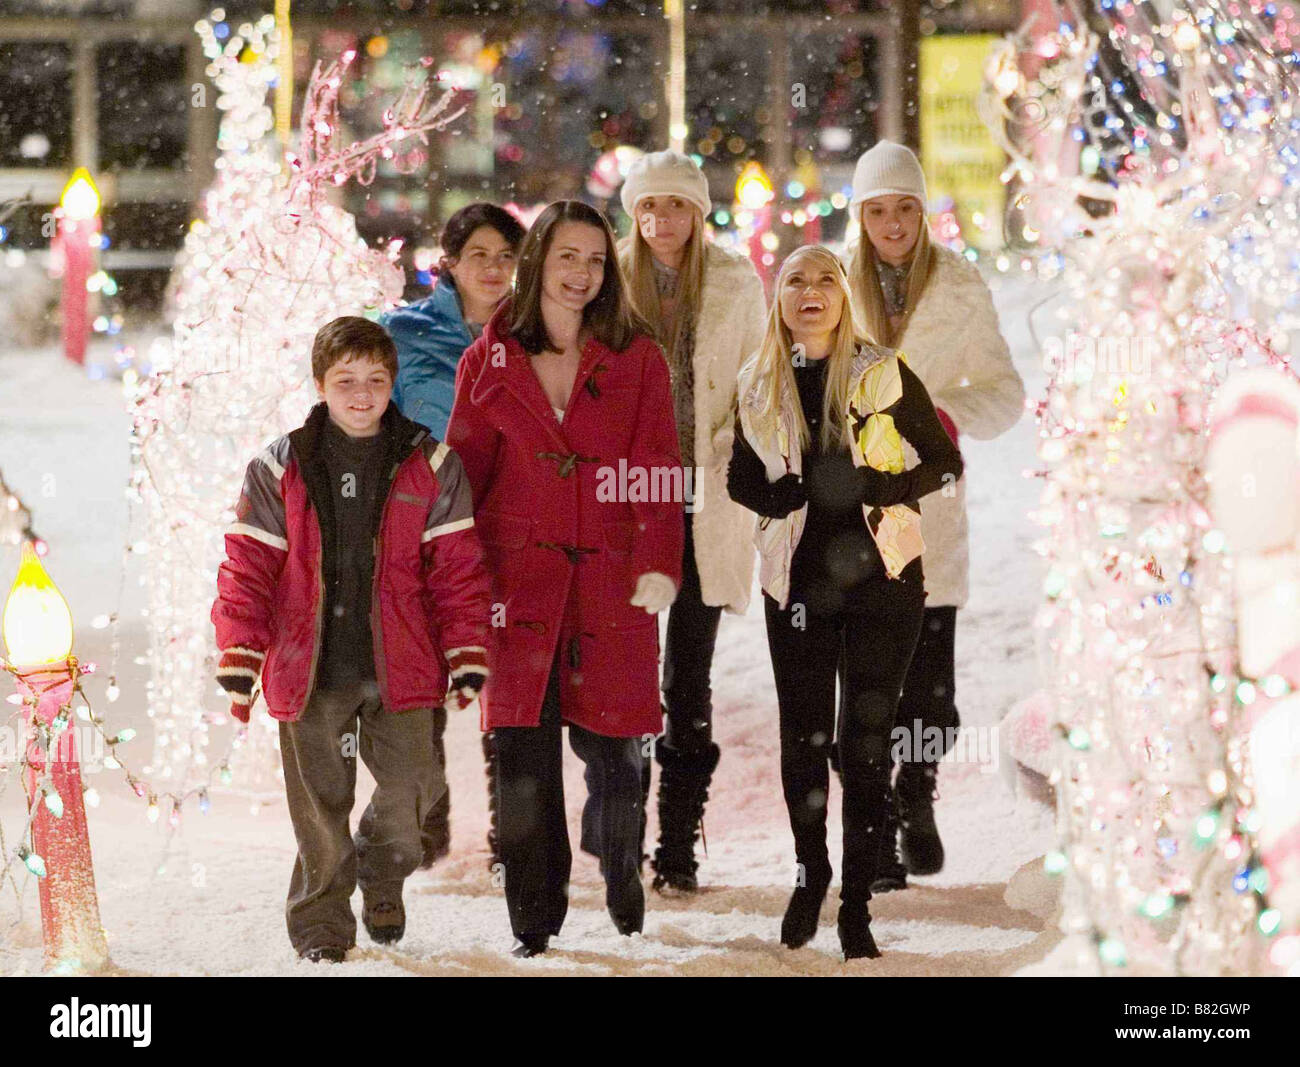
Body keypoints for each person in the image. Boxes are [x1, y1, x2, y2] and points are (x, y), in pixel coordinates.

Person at [211, 316, 492, 963]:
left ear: (392, 382)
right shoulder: (280, 465)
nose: (361, 395)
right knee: (320, 806)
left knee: (415, 788)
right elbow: (247, 566)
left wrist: (467, 651)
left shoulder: (430, 461)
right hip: (310, 666)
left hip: (403, 662)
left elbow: (458, 569)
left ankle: (382, 871)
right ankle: (320, 923)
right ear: (320, 385)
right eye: (346, 381)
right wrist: (239, 652)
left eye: (375, 380)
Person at [446, 200, 684, 957]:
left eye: (594, 260)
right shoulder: (487, 360)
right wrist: (459, 583)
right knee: (521, 755)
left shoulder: (636, 356)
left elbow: (655, 468)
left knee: (616, 752)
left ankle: (620, 864)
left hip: (611, 575)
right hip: (517, 583)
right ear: (538, 260)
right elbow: (466, 481)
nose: (580, 274)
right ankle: (533, 917)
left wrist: (658, 564)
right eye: (567, 257)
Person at [727, 246, 963, 959]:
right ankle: (811, 873)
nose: (812, 290)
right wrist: (777, 498)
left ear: (842, 296)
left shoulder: (883, 371)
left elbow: (944, 461)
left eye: (826, 278)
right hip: (796, 586)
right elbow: (740, 476)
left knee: (863, 747)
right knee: (804, 739)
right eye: (796, 279)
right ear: (779, 298)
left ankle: (857, 902)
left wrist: (888, 488)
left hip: (883, 581)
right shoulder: (758, 382)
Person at [845, 140, 1024, 888]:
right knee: (866, 682)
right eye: (878, 210)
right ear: (860, 215)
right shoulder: (828, 280)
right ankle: (877, 825)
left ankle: (917, 794)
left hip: (931, 507)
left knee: (930, 686)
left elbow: (1005, 393)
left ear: (923, 211)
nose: (892, 223)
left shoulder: (960, 286)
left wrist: (944, 412)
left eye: (904, 208)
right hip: (850, 512)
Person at [616, 150, 766, 894]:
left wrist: (730, 448)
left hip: (707, 494)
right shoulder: (611, 279)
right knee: (625, 671)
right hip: (633, 495)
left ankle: (676, 844)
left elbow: (760, 383)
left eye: (675, 206)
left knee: (688, 675)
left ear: (698, 214)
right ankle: (622, 838)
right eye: (648, 208)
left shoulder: (737, 282)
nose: (660, 221)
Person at [380, 203, 526, 869]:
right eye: (479, 255)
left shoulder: (537, 331)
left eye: (505, 256)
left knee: (511, 680)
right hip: (426, 527)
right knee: (422, 677)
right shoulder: (401, 334)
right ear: (450, 262)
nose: (493, 269)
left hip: (512, 523)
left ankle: (512, 832)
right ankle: (426, 823)